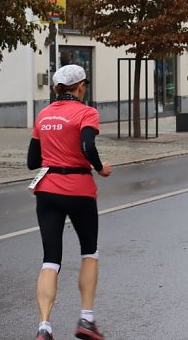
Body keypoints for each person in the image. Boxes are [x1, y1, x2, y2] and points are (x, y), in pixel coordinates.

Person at [28, 64, 113, 340]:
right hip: (79, 189)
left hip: (47, 190)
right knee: (89, 251)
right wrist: (99, 167)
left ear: (56, 89)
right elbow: (88, 146)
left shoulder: (43, 115)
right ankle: (86, 319)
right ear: (81, 87)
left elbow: (32, 161)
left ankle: (44, 327)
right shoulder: (87, 113)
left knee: (50, 260)